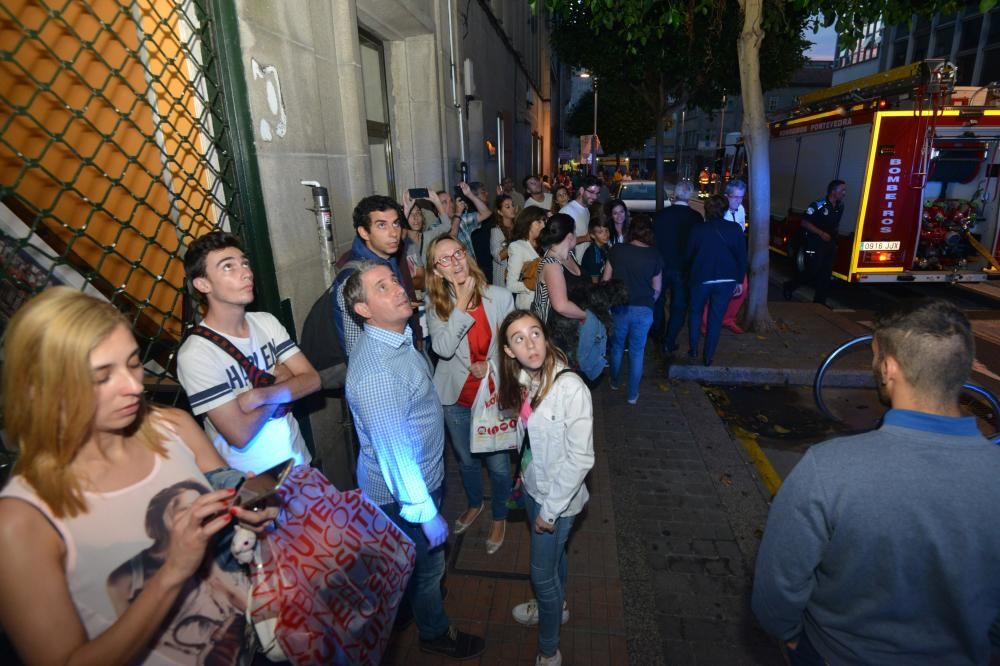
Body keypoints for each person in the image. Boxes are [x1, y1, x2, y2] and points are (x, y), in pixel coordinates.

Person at [0, 287, 276, 665]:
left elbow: (232, 506)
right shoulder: (21, 521)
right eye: (102, 376)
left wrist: (251, 511)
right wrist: (173, 571)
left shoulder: (174, 428)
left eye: (132, 363)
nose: (134, 386)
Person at [752, 298, 1000, 665]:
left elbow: (776, 592)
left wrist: (792, 639)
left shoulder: (828, 468)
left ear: (888, 368)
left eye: (873, 358)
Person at [343, 262, 486, 660]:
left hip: (421, 481)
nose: (399, 289)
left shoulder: (398, 339)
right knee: (427, 569)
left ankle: (408, 605)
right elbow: (393, 450)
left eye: (395, 281)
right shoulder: (377, 371)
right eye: (382, 287)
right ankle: (434, 631)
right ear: (364, 310)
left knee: (411, 565)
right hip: (403, 497)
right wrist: (424, 512)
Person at [497, 309, 595, 666]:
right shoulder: (526, 379)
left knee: (541, 575)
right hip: (533, 489)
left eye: (535, 333)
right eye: (518, 338)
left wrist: (549, 513)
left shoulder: (570, 387)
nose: (530, 343)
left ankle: (549, 650)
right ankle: (559, 606)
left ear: (546, 335)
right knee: (556, 559)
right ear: (509, 351)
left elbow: (581, 459)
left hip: (556, 502)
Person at [177, 231, 321, 473]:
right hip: (253, 482)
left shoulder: (265, 322)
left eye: (244, 263)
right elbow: (240, 434)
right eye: (228, 267)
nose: (246, 272)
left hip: (299, 463)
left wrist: (259, 396)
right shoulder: (196, 354)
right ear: (203, 284)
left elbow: (313, 380)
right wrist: (283, 384)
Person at [425, 236, 514, 554]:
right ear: (436, 271)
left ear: (467, 255)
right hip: (455, 400)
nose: (455, 261)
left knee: (500, 466)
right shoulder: (436, 305)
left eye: (457, 253)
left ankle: (500, 515)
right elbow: (443, 348)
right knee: (466, 460)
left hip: (491, 398)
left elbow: (511, 348)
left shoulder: (500, 297)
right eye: (444, 259)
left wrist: (489, 364)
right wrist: (460, 303)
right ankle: (475, 503)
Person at [332, 195, 423, 358]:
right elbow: (355, 347)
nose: (393, 233)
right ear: (364, 232)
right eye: (382, 225)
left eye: (395, 223)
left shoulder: (388, 258)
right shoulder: (353, 277)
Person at [602, 215, 662, 405]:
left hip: (620, 307)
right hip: (644, 309)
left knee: (618, 346)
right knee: (637, 351)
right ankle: (632, 395)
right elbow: (657, 289)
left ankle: (614, 381)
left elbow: (605, 280)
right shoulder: (655, 255)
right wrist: (647, 302)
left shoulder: (617, 250)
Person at [685, 195, 747, 367]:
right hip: (726, 279)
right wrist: (740, 281)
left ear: (706, 210)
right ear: (726, 210)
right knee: (716, 318)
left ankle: (694, 348)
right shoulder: (735, 229)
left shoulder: (698, 230)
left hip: (701, 279)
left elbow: (689, 255)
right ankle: (708, 356)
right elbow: (742, 257)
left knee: (695, 313)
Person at [653, 179, 703, 353]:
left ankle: (658, 335)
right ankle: (669, 340)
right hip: (683, 269)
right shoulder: (696, 218)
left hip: (661, 266)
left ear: (674, 195)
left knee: (658, 302)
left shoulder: (660, 216)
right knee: (679, 306)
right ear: (689, 195)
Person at [782, 179, 847, 306]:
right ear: (833, 191)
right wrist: (821, 233)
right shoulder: (817, 205)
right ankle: (789, 286)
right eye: (842, 190)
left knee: (826, 273)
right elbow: (805, 223)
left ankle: (819, 302)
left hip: (830, 244)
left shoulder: (840, 207)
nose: (844, 193)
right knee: (812, 270)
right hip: (816, 242)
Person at [701, 179, 748, 335]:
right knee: (715, 292)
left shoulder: (740, 210)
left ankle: (727, 319)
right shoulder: (719, 212)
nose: (739, 201)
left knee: (742, 288)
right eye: (735, 197)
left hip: (734, 257)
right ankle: (705, 323)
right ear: (727, 196)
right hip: (719, 259)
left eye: (741, 197)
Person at [506, 206, 547, 310]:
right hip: (529, 307)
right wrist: (533, 285)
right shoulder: (518, 246)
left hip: (545, 306)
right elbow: (511, 285)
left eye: (544, 221)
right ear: (528, 223)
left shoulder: (544, 246)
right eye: (538, 221)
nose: (543, 225)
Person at [560, 174, 600, 262]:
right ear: (581, 190)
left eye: (597, 193)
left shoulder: (586, 209)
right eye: (591, 192)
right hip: (573, 263)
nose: (595, 197)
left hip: (585, 262)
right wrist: (586, 238)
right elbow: (560, 242)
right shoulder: (567, 211)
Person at [490, 193, 517, 287]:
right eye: (507, 207)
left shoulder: (518, 227)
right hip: (504, 278)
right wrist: (515, 239)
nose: (512, 208)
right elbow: (498, 257)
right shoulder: (496, 231)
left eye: (512, 205)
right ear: (500, 212)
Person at [580, 216, 610, 284]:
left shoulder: (605, 246)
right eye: (600, 232)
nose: (605, 234)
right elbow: (594, 282)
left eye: (606, 230)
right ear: (593, 235)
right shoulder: (594, 255)